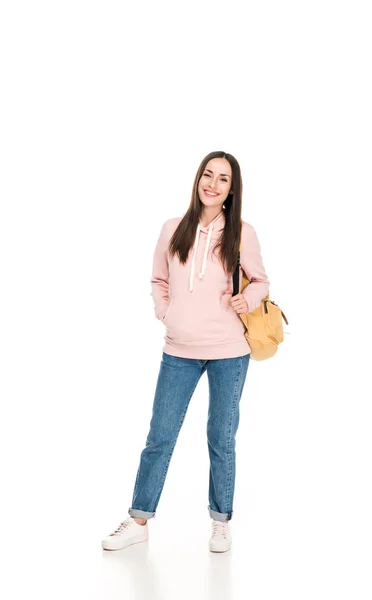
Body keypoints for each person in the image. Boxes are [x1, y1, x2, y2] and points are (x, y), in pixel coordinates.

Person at [102, 151, 270, 553]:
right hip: (179, 347)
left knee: (220, 436)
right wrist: (166, 312)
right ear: (198, 180)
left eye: (223, 179)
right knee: (160, 435)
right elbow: (159, 279)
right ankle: (139, 519)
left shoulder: (242, 232)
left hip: (230, 349)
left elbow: (261, 282)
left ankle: (221, 522)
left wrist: (247, 300)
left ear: (232, 189)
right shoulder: (172, 227)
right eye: (208, 175)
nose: (213, 183)